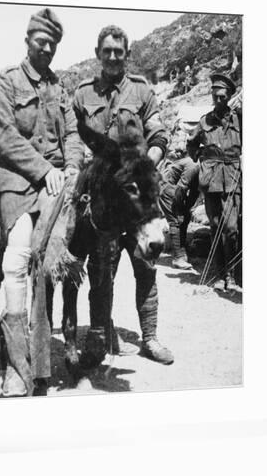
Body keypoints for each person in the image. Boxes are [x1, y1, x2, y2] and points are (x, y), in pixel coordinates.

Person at [0, 8, 84, 397]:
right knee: (16, 259)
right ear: (28, 40)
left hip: (55, 184)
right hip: (16, 180)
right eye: (40, 41)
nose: (46, 48)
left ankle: (40, 366)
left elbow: (73, 134)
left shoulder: (60, 89)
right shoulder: (7, 81)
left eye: (52, 44)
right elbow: (5, 136)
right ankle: (15, 368)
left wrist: (73, 167)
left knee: (49, 262)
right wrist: (45, 170)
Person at [72, 25, 174, 365]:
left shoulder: (142, 91)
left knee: (146, 266)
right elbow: (75, 141)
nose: (113, 56)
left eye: (119, 51)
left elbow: (159, 135)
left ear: (126, 54)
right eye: (107, 51)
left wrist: (145, 164)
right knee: (101, 271)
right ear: (98, 53)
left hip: (139, 199)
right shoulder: (83, 93)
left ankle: (150, 338)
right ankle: (98, 339)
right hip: (103, 203)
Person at [187, 73, 242, 294]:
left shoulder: (240, 119)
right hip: (210, 180)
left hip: (233, 177)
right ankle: (220, 275)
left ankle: (232, 274)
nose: (218, 100)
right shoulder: (204, 121)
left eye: (222, 97)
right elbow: (191, 146)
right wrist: (202, 156)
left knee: (231, 229)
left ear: (229, 96)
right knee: (216, 226)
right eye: (215, 96)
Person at [159, 155, 199, 270]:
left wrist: (187, 208)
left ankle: (181, 251)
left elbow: (194, 192)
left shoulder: (202, 165)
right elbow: (181, 188)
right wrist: (179, 209)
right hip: (168, 187)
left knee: (185, 217)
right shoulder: (193, 165)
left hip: (175, 188)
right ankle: (178, 258)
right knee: (175, 220)